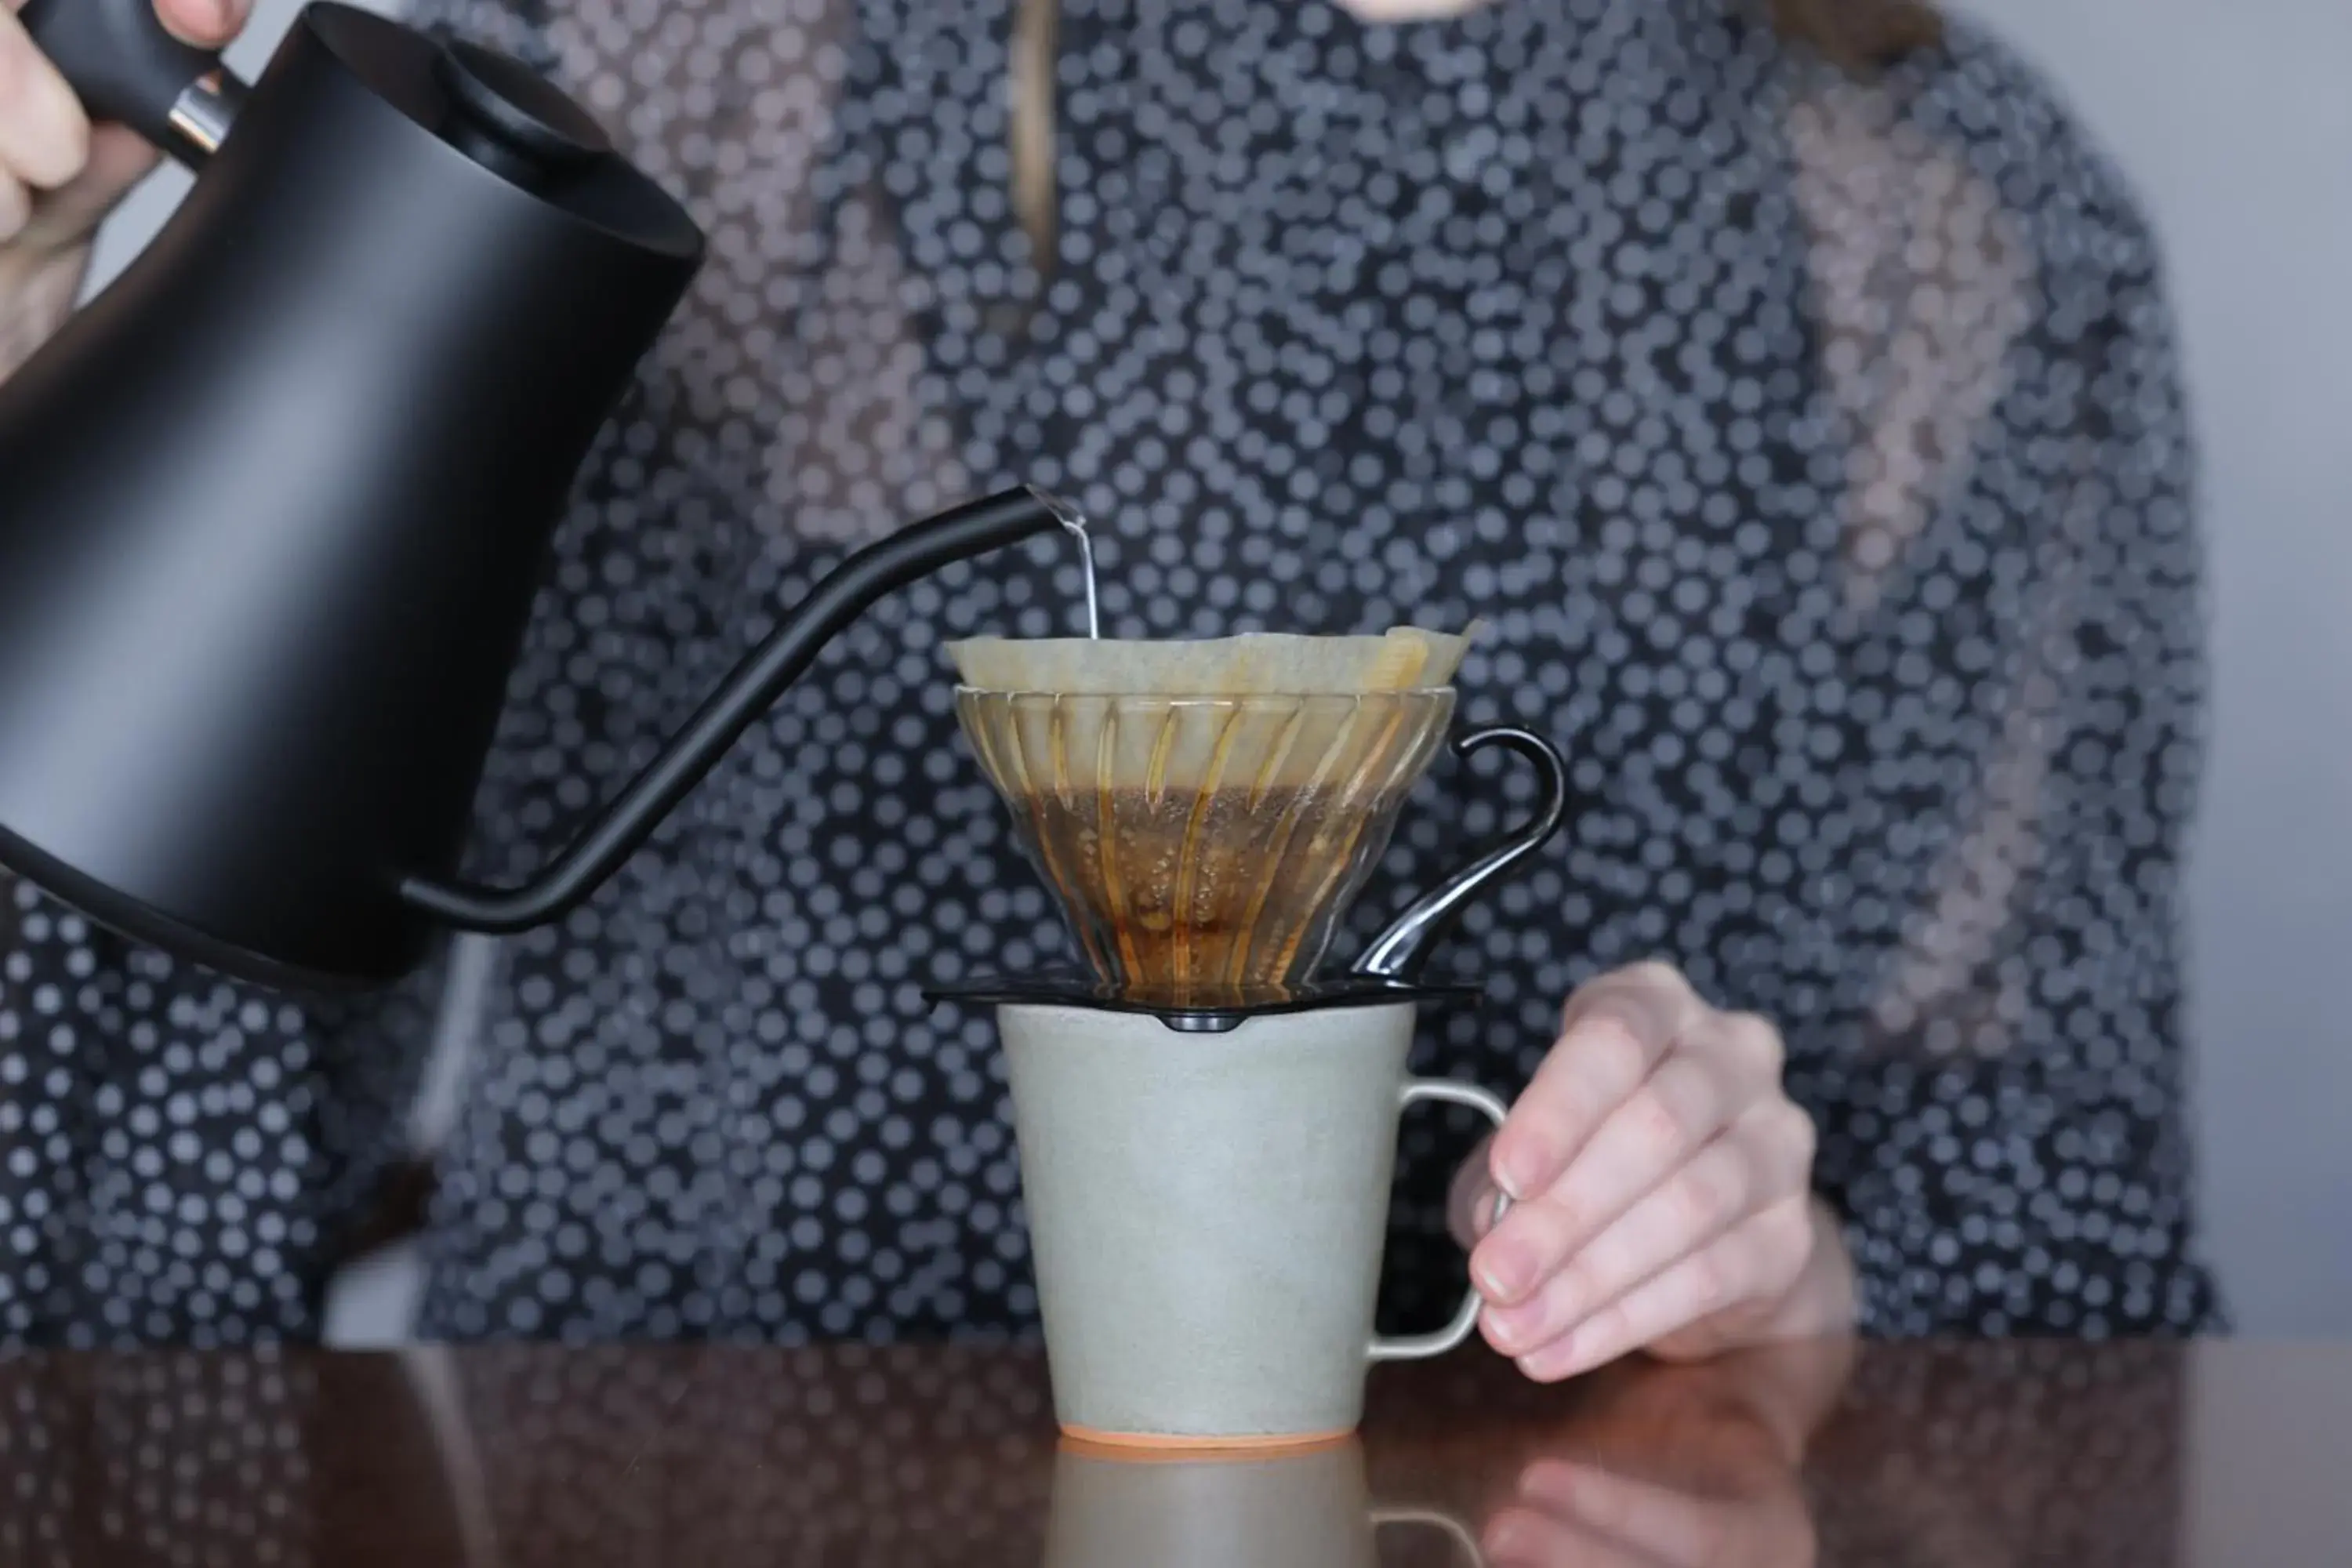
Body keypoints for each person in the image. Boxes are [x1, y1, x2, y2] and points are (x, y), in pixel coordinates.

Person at [0, 0, 2220, 1360]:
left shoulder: (1957, 234)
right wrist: (28, 363)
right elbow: (178, 1093)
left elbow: (2074, 1216)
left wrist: (1791, 1259)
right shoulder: (680, 71)